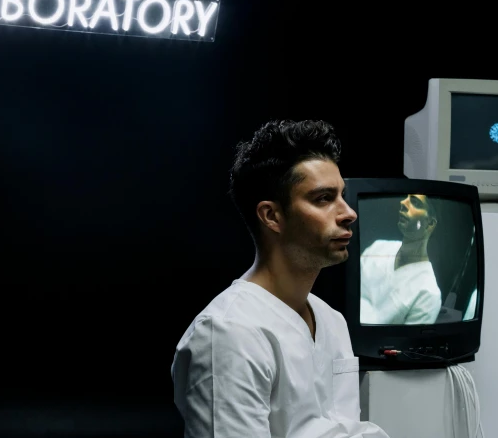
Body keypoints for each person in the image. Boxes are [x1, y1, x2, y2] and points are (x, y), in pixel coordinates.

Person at [171, 120, 390, 437]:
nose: (348, 212)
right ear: (271, 216)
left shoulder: (332, 322)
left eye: (343, 195)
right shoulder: (228, 333)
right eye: (323, 198)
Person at [359, 194, 443, 325]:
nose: (403, 202)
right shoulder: (378, 247)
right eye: (406, 198)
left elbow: (404, 343)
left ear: (430, 224)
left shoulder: (428, 293)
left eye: (415, 203)